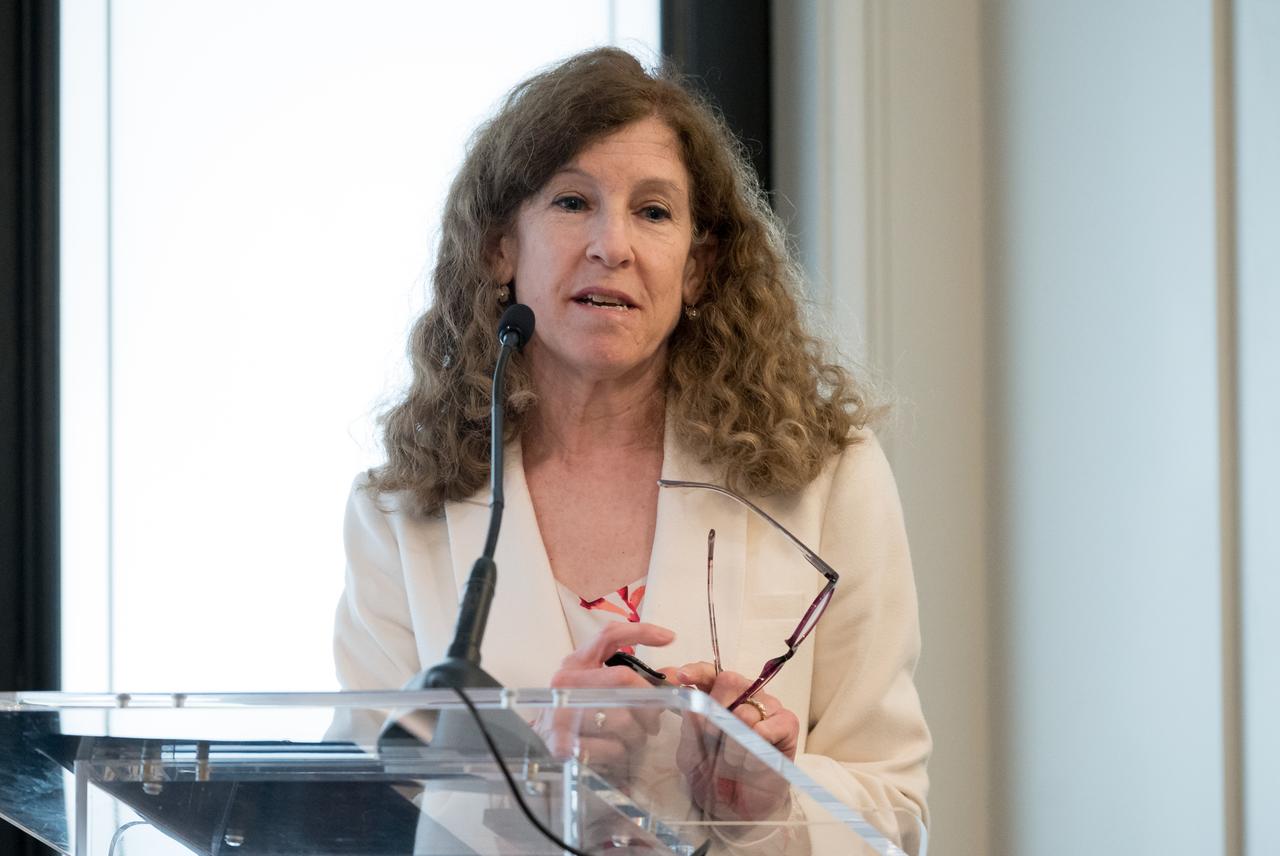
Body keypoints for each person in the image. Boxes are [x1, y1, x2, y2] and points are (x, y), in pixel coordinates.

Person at [332, 47, 930, 851]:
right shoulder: (402, 512)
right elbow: (360, 816)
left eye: (654, 212)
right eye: (573, 201)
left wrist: (771, 803)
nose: (612, 244)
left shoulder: (826, 477)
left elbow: (897, 812)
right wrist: (533, 784)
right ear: (499, 248)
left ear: (698, 268)